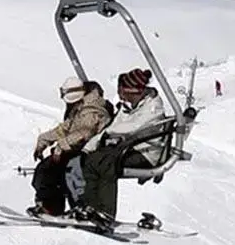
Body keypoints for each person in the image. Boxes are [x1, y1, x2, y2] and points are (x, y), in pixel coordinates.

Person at [71, 67, 166, 228]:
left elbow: (133, 127)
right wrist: (89, 147)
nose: (122, 95)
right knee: (93, 159)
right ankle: (90, 207)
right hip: (131, 147)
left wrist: (109, 133)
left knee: (107, 162)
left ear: (134, 92)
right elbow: (117, 126)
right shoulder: (132, 103)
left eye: (125, 92)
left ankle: (105, 213)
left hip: (146, 152)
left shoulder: (152, 107)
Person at [28, 77, 112, 217]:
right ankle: (50, 206)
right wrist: (43, 140)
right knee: (46, 169)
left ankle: (81, 207)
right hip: (77, 149)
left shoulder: (93, 110)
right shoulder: (79, 107)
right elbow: (65, 129)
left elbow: (85, 132)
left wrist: (62, 145)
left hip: (91, 151)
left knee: (69, 170)